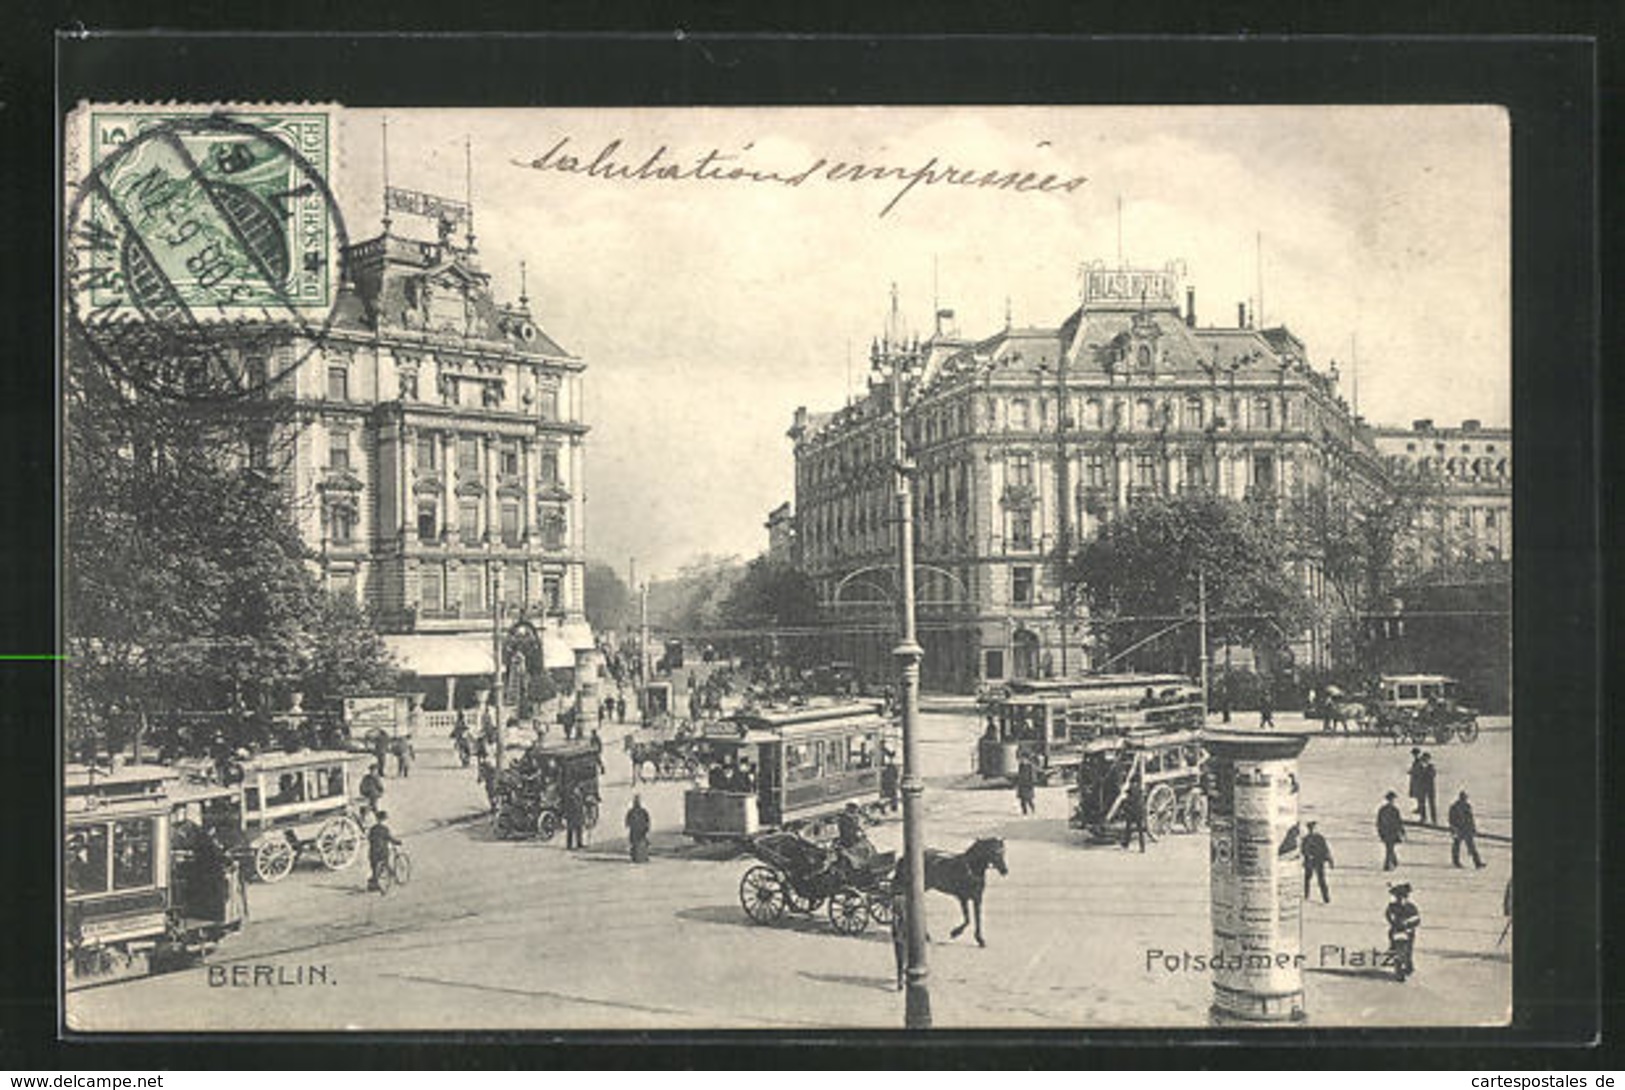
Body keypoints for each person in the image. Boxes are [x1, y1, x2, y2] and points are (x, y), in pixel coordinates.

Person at [1385, 883, 1421, 982]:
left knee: (1408, 950)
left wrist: (1408, 923)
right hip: (1396, 930)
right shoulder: (1392, 906)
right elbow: (1388, 915)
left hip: (1407, 931)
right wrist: (1393, 922)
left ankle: (1408, 965)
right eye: (1398, 897)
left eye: (1402, 897)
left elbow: (1417, 919)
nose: (1400, 900)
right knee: (1393, 942)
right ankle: (1392, 948)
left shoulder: (1411, 907)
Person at [1448, 789, 1486, 868]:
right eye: (1464, 798)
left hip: (1467, 829)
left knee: (1471, 846)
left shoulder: (1467, 806)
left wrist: (1473, 828)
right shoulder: (1454, 807)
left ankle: (1477, 863)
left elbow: (1470, 818)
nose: (1464, 800)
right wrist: (1454, 828)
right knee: (1456, 846)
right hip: (1458, 829)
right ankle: (1456, 862)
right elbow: (1451, 819)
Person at [367, 810, 402, 892]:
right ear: (384, 819)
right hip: (382, 851)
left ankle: (373, 883)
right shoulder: (385, 829)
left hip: (372, 851)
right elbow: (390, 838)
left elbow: (369, 838)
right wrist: (397, 842)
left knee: (374, 868)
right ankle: (390, 875)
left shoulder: (373, 828)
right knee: (385, 863)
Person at [835, 802, 875, 870]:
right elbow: (847, 833)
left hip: (853, 840)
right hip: (849, 842)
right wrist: (857, 836)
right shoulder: (844, 820)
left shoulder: (852, 818)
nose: (856, 813)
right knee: (863, 849)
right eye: (855, 811)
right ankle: (862, 865)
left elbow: (856, 828)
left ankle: (869, 861)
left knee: (868, 847)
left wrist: (860, 832)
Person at [1301, 820, 1333, 903]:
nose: (1312, 830)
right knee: (1307, 879)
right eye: (1310, 828)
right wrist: (1307, 856)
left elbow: (1326, 849)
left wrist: (1330, 860)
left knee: (1321, 880)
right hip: (1310, 862)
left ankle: (1326, 898)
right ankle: (1306, 896)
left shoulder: (1320, 838)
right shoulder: (1306, 839)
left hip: (1319, 861)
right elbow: (1303, 850)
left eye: (1313, 828)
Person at [1376, 790, 1406, 871]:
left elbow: (1399, 822)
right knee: (1389, 848)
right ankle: (1390, 863)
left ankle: (1389, 863)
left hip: (1390, 832)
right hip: (1389, 832)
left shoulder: (1387, 810)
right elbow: (1379, 822)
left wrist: (1401, 831)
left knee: (1389, 848)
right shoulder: (1390, 810)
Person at [1121, 772, 1150, 852]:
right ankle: (1142, 847)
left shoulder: (1134, 789)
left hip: (1133, 811)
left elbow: (1131, 797)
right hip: (1139, 811)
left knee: (1129, 828)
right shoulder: (1140, 789)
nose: (1132, 784)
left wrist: (1125, 798)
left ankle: (1126, 844)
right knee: (1139, 830)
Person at [625, 794, 652, 863]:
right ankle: (636, 856)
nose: (636, 803)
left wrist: (647, 826)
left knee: (641, 842)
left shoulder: (642, 811)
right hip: (635, 830)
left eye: (637, 801)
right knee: (635, 843)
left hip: (640, 830)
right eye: (635, 801)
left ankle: (643, 856)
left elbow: (647, 819)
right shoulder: (632, 811)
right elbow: (628, 820)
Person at [1418, 753, 1439, 826]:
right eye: (1424, 759)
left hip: (1430, 788)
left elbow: (1433, 775)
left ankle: (1434, 820)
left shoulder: (1431, 767)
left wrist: (1425, 771)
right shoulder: (1420, 767)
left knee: (1432, 804)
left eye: (1426, 759)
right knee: (1422, 803)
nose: (1425, 761)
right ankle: (1423, 818)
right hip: (1422, 788)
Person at [1406, 748, 1426, 822]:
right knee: (1419, 799)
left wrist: (1412, 772)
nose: (1414, 756)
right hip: (1417, 783)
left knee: (1421, 800)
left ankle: (1423, 817)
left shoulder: (1420, 762)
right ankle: (1420, 812)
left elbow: (1420, 772)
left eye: (1415, 754)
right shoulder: (1417, 761)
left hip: (1419, 784)